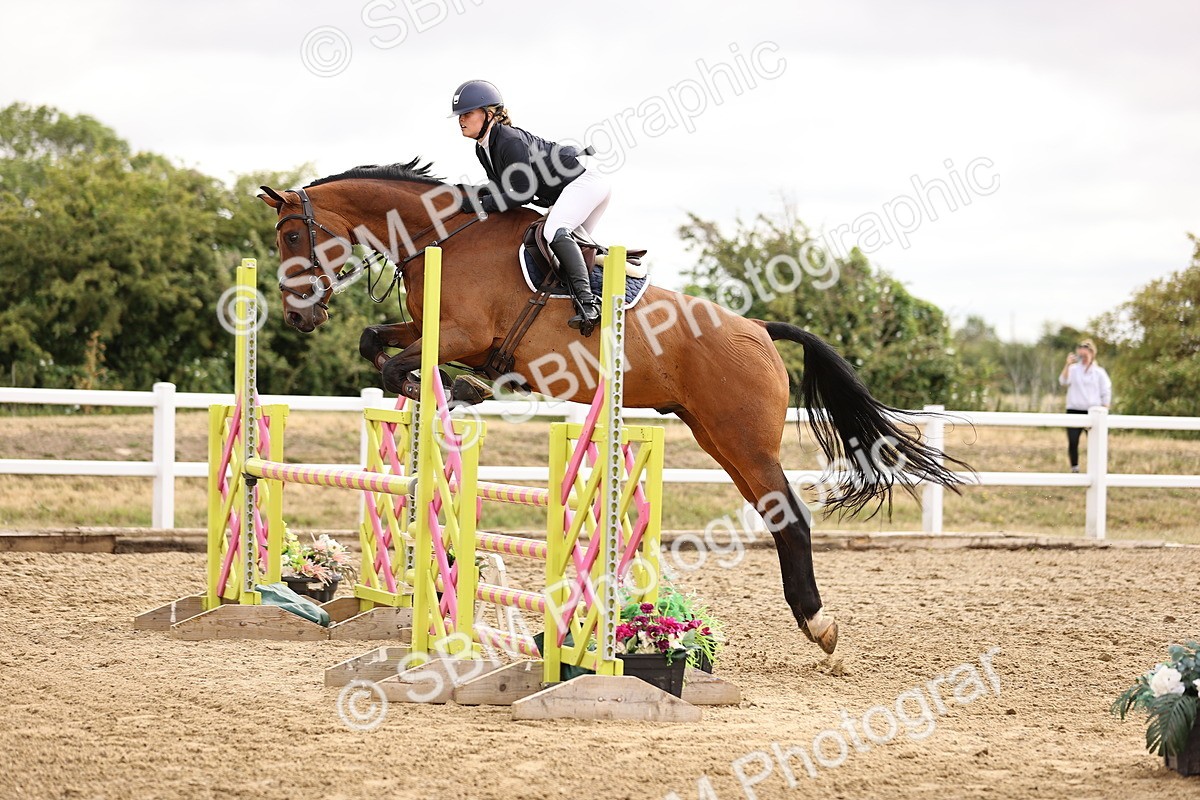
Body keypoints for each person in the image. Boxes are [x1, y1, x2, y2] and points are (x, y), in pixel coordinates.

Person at [450, 79, 610, 332]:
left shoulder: (508, 141)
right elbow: (502, 188)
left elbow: (520, 194)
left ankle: (589, 305)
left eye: (467, 113)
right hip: (570, 190)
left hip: (586, 181)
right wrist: (468, 194)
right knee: (570, 245)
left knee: (553, 231)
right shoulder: (483, 148)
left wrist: (480, 205)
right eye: (459, 115)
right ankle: (584, 294)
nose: (461, 120)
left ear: (489, 114)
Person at [1058, 338, 1112, 473]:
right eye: (1080, 355)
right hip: (1074, 409)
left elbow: (1106, 390)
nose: (1082, 358)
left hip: (1093, 411)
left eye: (1085, 355)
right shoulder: (1074, 369)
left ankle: (1096, 469)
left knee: (1095, 442)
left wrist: (1105, 408)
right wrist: (1067, 365)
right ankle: (1074, 468)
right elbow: (1063, 381)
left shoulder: (1099, 372)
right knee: (1073, 441)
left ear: (1092, 353)